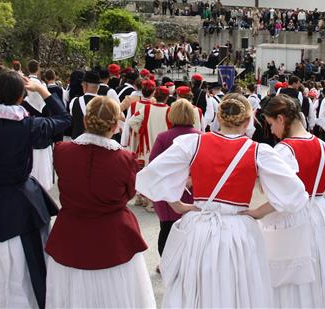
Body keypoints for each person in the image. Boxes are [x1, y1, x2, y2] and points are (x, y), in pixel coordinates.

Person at [135, 94, 307, 308]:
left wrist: (178, 204)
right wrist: (259, 212)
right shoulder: (258, 152)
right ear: (247, 121)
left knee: (197, 286)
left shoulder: (194, 142)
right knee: (236, 288)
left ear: (218, 116)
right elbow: (296, 192)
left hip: (201, 226)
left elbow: (152, 175)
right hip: (238, 230)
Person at [45, 96, 154, 308]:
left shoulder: (61, 150)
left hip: (70, 235)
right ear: (115, 126)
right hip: (113, 238)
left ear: (86, 121)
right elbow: (129, 193)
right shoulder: (125, 158)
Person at [248, 95, 325, 308]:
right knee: (323, 271)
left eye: (270, 124)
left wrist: (258, 212)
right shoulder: (322, 145)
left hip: (293, 217)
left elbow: (282, 196)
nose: (271, 131)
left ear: (280, 119)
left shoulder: (283, 150)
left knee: (290, 278)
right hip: (321, 214)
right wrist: (320, 196)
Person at [0, 71, 70, 308]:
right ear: (21, 96)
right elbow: (65, 119)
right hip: (22, 201)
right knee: (29, 266)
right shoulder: (29, 125)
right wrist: (43, 91)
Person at [147, 99, 201, 259]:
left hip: (168, 190)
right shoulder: (202, 137)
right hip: (193, 189)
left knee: (166, 229)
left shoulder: (163, 137)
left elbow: (154, 164)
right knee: (191, 228)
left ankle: (166, 263)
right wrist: (191, 177)